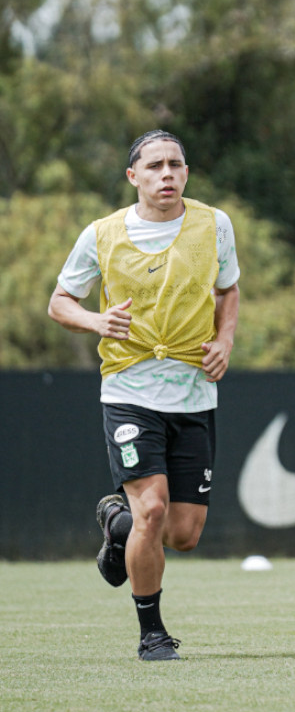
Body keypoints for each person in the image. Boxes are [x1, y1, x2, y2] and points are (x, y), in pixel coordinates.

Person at [48, 130, 241, 661]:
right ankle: (152, 633)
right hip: (130, 391)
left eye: (175, 165)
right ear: (134, 177)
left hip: (195, 394)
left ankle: (117, 525)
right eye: (154, 166)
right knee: (152, 509)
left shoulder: (214, 224)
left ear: (186, 173)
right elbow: (60, 301)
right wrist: (95, 320)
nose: (167, 175)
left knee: (182, 534)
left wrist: (225, 340)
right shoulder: (103, 234)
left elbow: (228, 289)